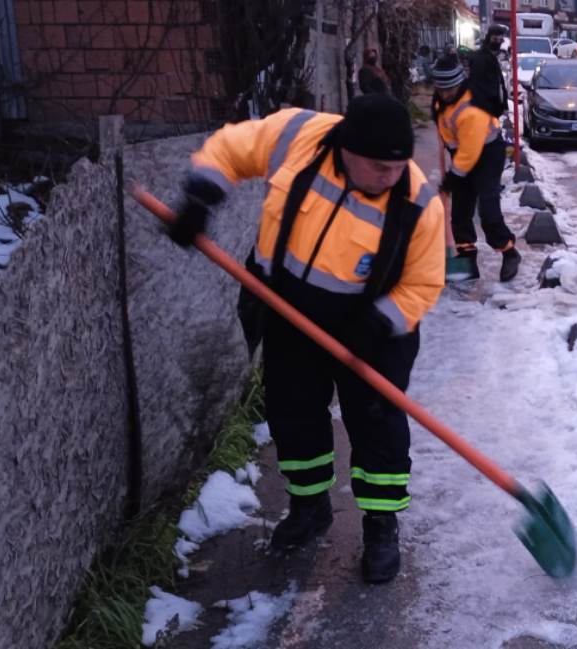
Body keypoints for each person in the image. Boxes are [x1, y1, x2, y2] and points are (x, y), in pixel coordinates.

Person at [167, 94, 445, 584]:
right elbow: (232, 148)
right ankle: (309, 505)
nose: (391, 176)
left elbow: (423, 283)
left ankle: (381, 525)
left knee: (376, 423)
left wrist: (379, 323)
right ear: (347, 149)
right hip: (288, 308)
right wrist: (200, 198)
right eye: (380, 167)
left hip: (371, 323)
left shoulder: (417, 201)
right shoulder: (299, 136)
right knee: (293, 412)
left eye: (398, 166)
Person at [431, 55, 521, 282]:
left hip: (487, 154)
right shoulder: (441, 99)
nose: (446, 94)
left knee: (488, 210)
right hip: (462, 154)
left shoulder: (472, 109)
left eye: (450, 88)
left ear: (459, 83)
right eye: (441, 89)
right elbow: (448, 129)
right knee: (460, 211)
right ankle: (467, 259)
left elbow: (471, 151)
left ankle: (509, 251)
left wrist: (453, 177)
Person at [468, 25, 508, 117]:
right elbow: (476, 84)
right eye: (495, 39)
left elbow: (499, 83)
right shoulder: (480, 58)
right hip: (485, 110)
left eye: (500, 40)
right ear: (489, 39)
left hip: (493, 109)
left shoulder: (492, 57)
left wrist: (504, 106)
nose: (498, 43)